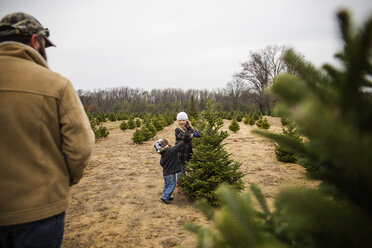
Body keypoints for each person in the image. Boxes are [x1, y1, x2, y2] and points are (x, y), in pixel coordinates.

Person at [0, 12, 95, 247]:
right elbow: (81, 146)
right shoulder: (55, 84)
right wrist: (66, 179)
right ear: (35, 41)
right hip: (40, 209)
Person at [154, 138, 186, 204]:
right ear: (163, 147)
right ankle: (164, 197)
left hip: (166, 173)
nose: (167, 145)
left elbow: (161, 163)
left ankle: (166, 196)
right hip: (169, 174)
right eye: (166, 144)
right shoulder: (170, 151)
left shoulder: (163, 154)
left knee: (167, 185)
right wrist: (185, 140)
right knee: (172, 185)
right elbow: (177, 147)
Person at [174, 112, 200, 194]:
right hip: (180, 153)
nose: (182, 122)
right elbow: (183, 137)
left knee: (184, 170)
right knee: (180, 171)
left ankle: (184, 184)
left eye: (183, 120)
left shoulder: (189, 128)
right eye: (180, 120)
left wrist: (202, 132)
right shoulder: (177, 130)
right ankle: (180, 187)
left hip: (188, 152)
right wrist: (192, 135)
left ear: (186, 120)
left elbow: (196, 132)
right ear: (177, 121)